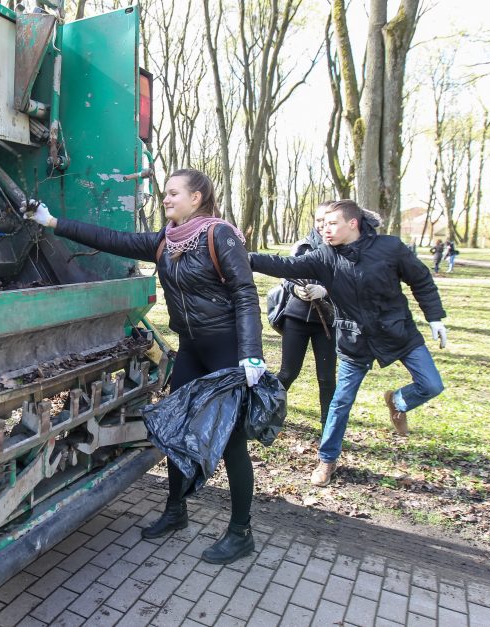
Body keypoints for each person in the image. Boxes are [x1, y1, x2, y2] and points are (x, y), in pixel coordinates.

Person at [25, 168, 265, 564]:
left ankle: (241, 532)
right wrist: (52, 222)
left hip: (227, 352)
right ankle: (176, 511)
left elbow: (244, 291)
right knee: (173, 430)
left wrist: (251, 352)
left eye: (173, 193)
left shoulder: (219, 234)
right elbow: (113, 240)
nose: (166, 199)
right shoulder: (165, 241)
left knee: (232, 442)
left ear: (197, 198)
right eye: (164, 194)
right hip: (191, 348)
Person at [250, 200, 447, 487]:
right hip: (354, 340)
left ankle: (399, 401)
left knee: (431, 385)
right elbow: (284, 265)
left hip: (399, 333)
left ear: (352, 223)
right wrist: (243, 255)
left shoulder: (390, 248)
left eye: (331, 224)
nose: (324, 229)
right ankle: (326, 460)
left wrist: (435, 318)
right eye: (323, 224)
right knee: (340, 402)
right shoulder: (325, 256)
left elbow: (421, 280)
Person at [276, 203, 336, 428]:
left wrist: (326, 291)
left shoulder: (343, 249)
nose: (322, 225)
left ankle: (328, 427)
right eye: (319, 219)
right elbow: (286, 277)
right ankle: (267, 414)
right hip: (296, 318)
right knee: (287, 373)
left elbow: (351, 281)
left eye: (328, 220)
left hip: (328, 323)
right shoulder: (303, 246)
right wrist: (296, 290)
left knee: (326, 378)